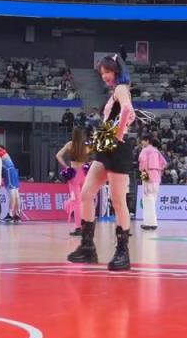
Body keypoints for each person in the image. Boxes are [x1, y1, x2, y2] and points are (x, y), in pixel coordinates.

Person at [68, 54, 135, 271]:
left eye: (107, 71)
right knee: (86, 194)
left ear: (116, 70)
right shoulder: (116, 91)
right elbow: (127, 114)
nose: (104, 75)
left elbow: (127, 110)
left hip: (116, 147)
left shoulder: (121, 88)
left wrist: (118, 135)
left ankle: (123, 252)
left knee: (118, 201)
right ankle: (87, 247)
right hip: (106, 145)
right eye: (102, 73)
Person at [56, 126, 90, 235]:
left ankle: (78, 227)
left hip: (74, 175)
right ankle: (87, 226)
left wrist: (66, 167)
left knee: (76, 202)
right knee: (85, 201)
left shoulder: (70, 144)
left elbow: (58, 155)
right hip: (84, 174)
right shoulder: (87, 146)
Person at [137, 135, 167, 231]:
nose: (141, 142)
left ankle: (149, 223)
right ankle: (152, 222)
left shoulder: (145, 151)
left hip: (147, 175)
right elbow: (164, 163)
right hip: (156, 177)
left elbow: (143, 167)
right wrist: (158, 172)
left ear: (147, 141)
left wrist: (145, 180)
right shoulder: (156, 151)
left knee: (147, 201)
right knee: (153, 200)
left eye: (142, 140)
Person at [0, 148, 22, 222]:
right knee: (16, 195)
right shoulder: (5, 155)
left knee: (12, 195)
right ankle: (17, 214)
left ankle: (10, 215)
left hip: (10, 173)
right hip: (13, 172)